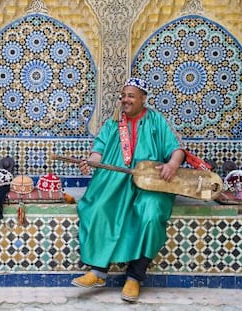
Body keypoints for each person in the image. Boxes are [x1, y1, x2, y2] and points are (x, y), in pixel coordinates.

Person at [71, 77, 185, 303]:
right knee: (99, 207)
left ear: (143, 98)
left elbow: (177, 149)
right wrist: (91, 161)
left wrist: (172, 165)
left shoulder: (156, 121)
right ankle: (98, 271)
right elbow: (98, 151)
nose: (125, 100)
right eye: (123, 96)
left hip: (150, 185)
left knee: (151, 214)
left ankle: (134, 277)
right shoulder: (113, 123)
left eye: (130, 96)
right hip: (116, 182)